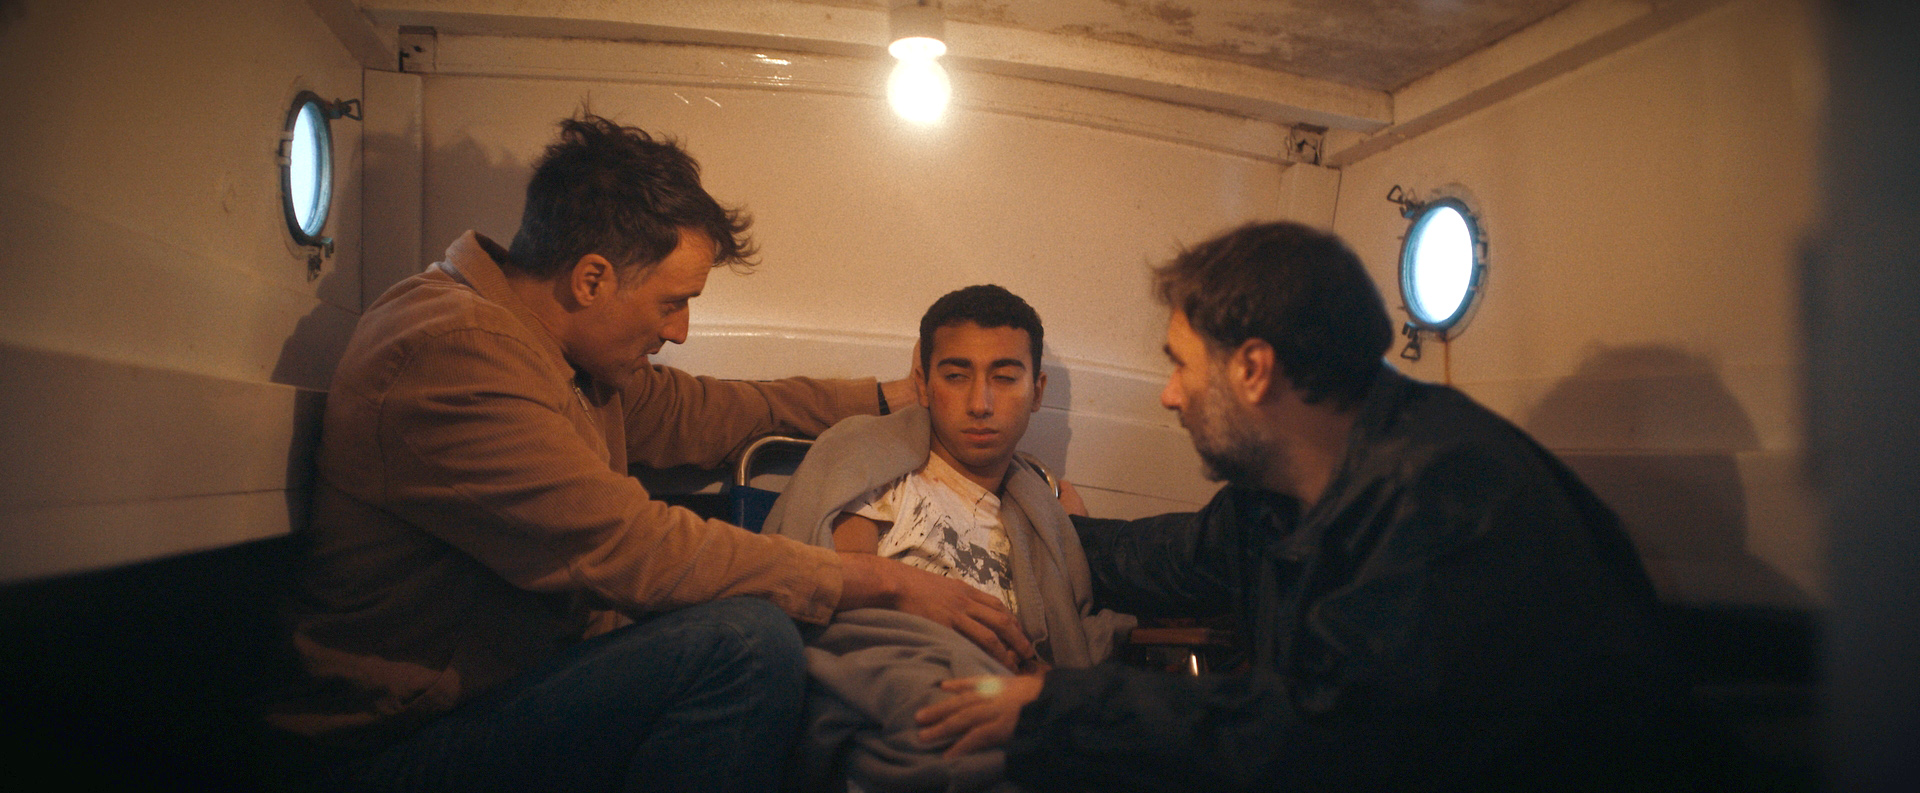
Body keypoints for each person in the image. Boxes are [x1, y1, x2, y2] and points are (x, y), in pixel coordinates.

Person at [270, 115, 1030, 792]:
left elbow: (715, 412)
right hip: (392, 749)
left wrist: (889, 397)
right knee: (747, 643)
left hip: (493, 701)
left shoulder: (560, 355)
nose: (680, 331)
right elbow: (632, 546)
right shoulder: (452, 352)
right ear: (592, 278)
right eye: (674, 302)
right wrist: (884, 583)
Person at [914, 222, 1714, 791]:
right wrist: (991, 526)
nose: (1169, 394)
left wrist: (1055, 703)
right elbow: (1157, 559)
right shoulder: (1281, 494)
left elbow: (1319, 738)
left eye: (1182, 365)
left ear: (1254, 370)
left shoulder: (1453, 502)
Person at [764, 285, 1133, 792]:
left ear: (1037, 391)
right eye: (956, 376)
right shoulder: (873, 466)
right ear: (922, 383)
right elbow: (837, 606)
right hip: (903, 676)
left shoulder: (1041, 516)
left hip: (1001, 693)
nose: (980, 404)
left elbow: (1059, 648)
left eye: (1005, 378)